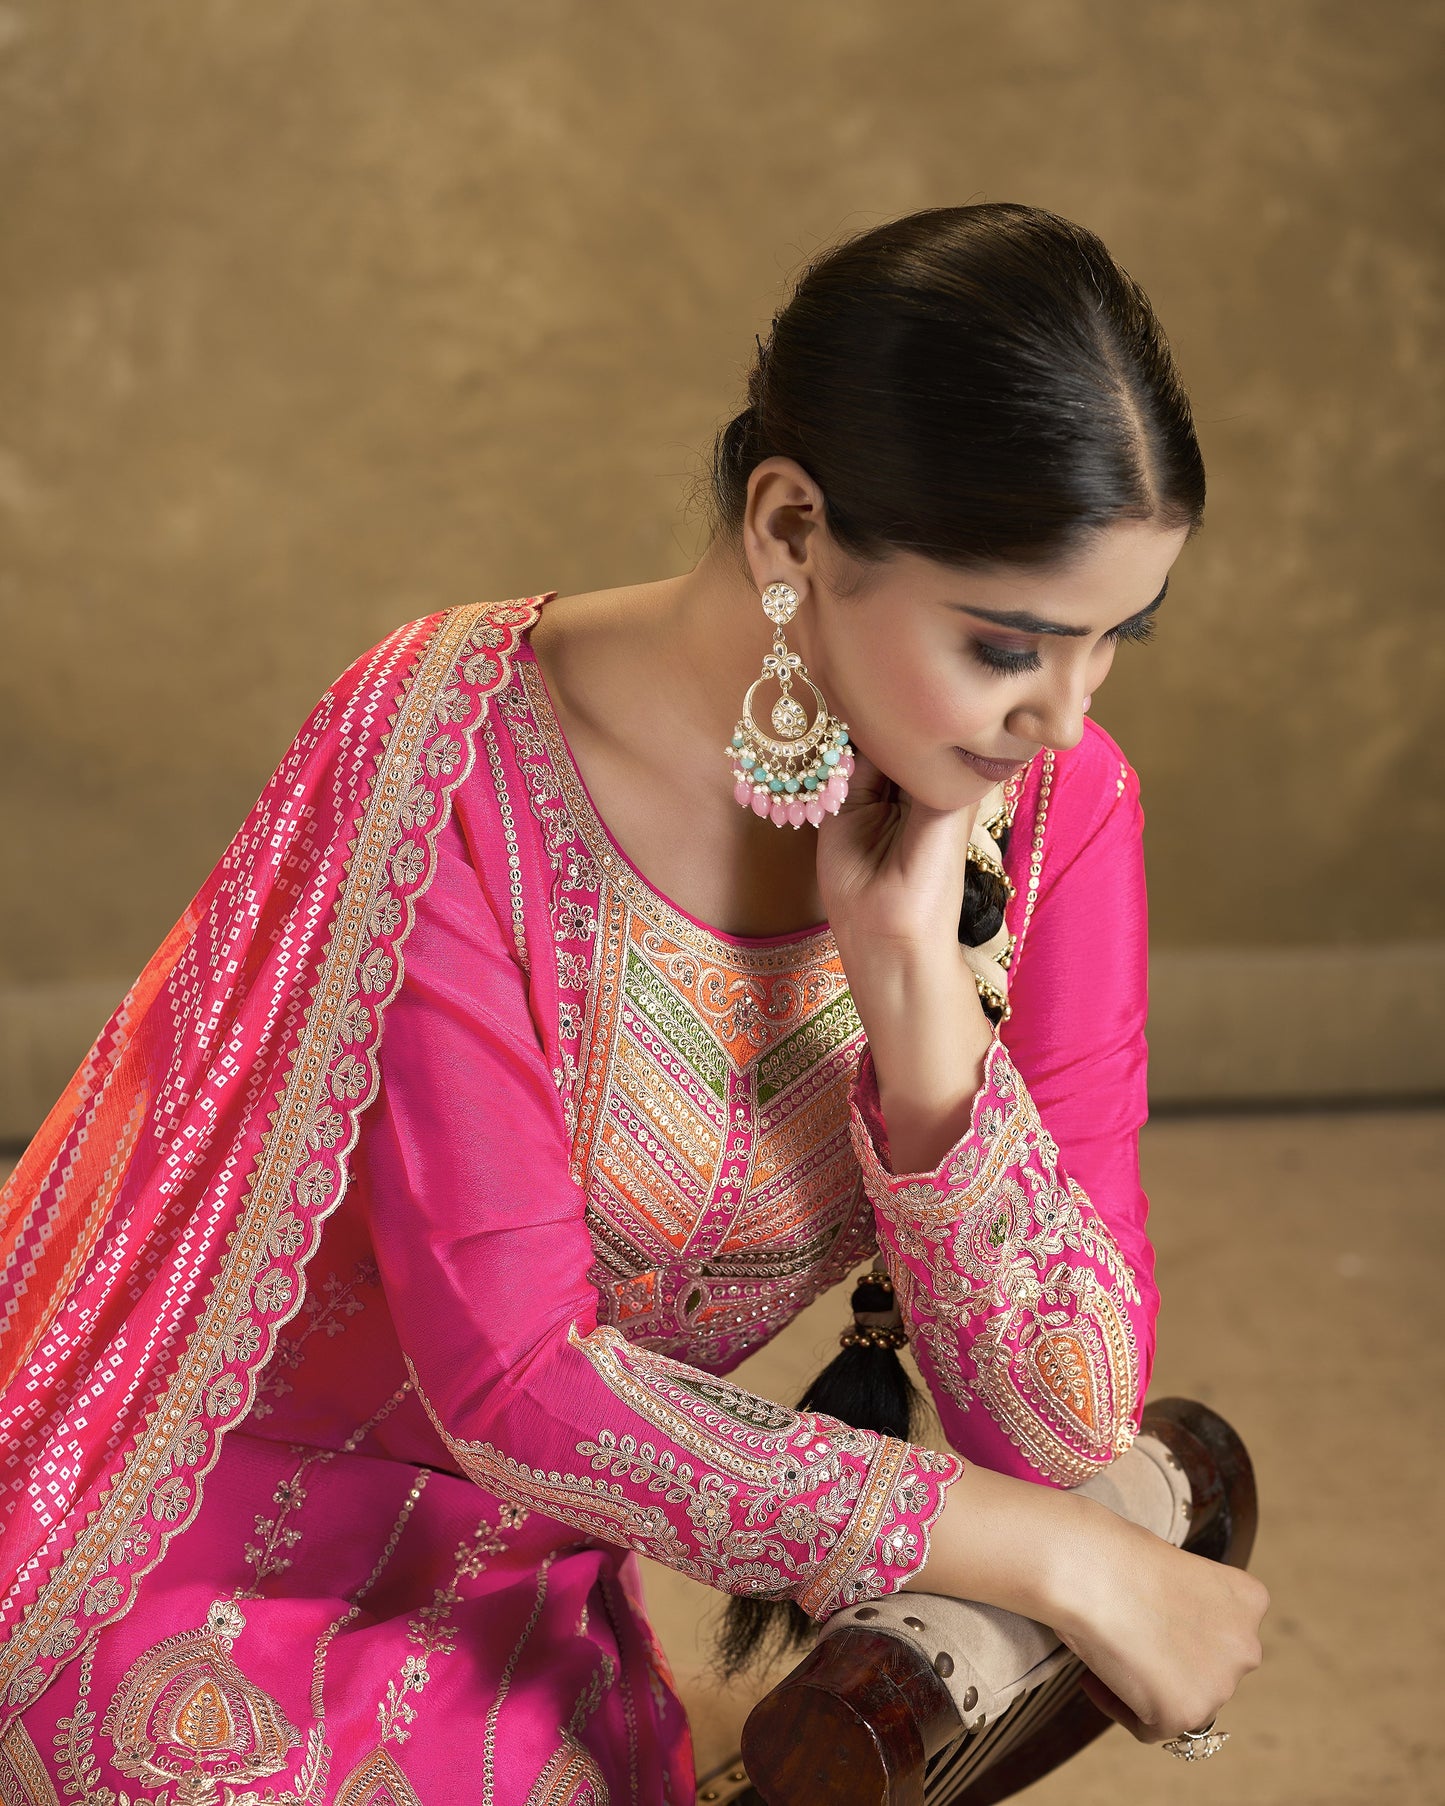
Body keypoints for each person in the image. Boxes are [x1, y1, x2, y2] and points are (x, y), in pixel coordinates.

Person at [0, 204, 1266, 1806]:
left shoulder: (1058, 809)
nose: (1062, 713)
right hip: (177, 1545)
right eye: (1005, 640)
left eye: (1111, 640)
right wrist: (1061, 1564)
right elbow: (516, 1383)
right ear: (793, 526)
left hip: (524, 1593)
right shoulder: (453, 753)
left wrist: (921, 1025)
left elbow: (1064, 1416)